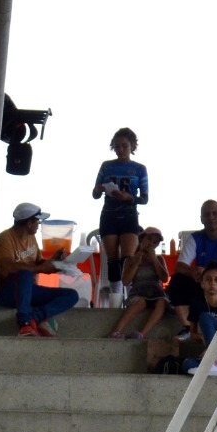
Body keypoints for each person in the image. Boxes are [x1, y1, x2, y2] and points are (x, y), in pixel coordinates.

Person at [0, 203, 79, 338]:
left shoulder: (31, 238)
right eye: (37, 221)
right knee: (25, 274)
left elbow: (38, 262)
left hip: (30, 291)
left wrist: (54, 261)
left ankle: (35, 318)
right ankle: (24, 323)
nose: (38, 224)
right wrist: (41, 268)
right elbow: (7, 267)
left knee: (71, 295)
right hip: (8, 292)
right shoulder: (5, 238)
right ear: (29, 223)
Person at [167, 200, 217, 340]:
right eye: (207, 215)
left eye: (215, 214)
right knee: (177, 280)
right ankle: (187, 328)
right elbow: (179, 266)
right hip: (202, 282)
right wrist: (193, 273)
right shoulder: (195, 238)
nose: (211, 217)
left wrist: (216, 274)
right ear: (201, 219)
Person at [90, 128, 148, 308]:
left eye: (124, 146)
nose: (121, 150)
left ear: (132, 147)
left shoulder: (139, 169)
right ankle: (116, 301)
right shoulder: (106, 166)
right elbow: (94, 194)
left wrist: (129, 197)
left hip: (129, 215)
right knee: (112, 260)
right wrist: (99, 189)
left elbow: (144, 198)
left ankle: (131, 298)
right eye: (117, 147)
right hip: (109, 215)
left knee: (128, 259)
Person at [106, 227, 169, 341]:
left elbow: (164, 278)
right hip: (138, 292)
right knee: (141, 303)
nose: (151, 244)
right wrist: (136, 263)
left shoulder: (159, 259)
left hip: (155, 292)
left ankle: (141, 334)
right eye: (149, 239)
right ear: (141, 239)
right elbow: (126, 281)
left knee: (162, 302)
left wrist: (154, 259)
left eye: (155, 242)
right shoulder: (130, 260)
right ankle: (116, 331)